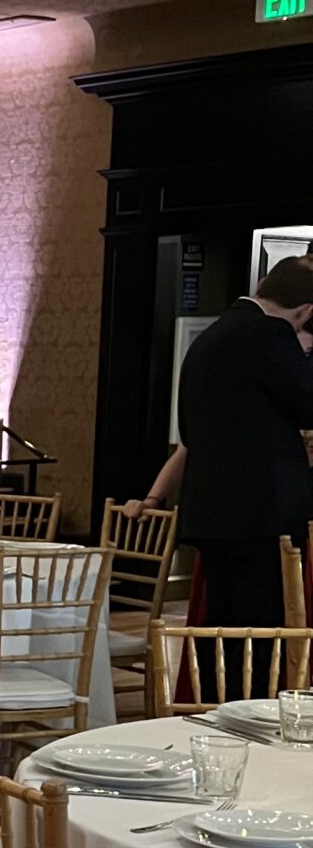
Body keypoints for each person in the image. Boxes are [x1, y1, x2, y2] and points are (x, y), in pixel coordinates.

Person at [169, 254, 313, 649]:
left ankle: (215, 691)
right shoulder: (269, 334)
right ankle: (245, 693)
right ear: (305, 310)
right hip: (259, 512)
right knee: (258, 633)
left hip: (210, 507)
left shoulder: (211, 335)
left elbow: (187, 429)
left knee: (221, 626)